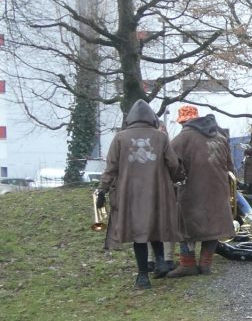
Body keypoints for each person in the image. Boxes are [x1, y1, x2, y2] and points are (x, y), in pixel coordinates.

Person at [95, 100, 185, 289]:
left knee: (139, 233)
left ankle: (143, 276)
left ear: (130, 118)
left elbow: (111, 167)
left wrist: (102, 189)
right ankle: (160, 261)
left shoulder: (120, 138)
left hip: (131, 194)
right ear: (151, 118)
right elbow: (173, 164)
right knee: (155, 227)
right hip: (157, 191)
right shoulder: (161, 137)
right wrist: (175, 177)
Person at [167, 104, 235, 277]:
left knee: (186, 227)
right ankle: (206, 264)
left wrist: (176, 179)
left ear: (184, 121)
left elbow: (170, 164)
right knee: (214, 226)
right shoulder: (220, 136)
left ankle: (187, 264)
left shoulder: (183, 138)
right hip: (219, 189)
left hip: (192, 190)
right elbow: (230, 165)